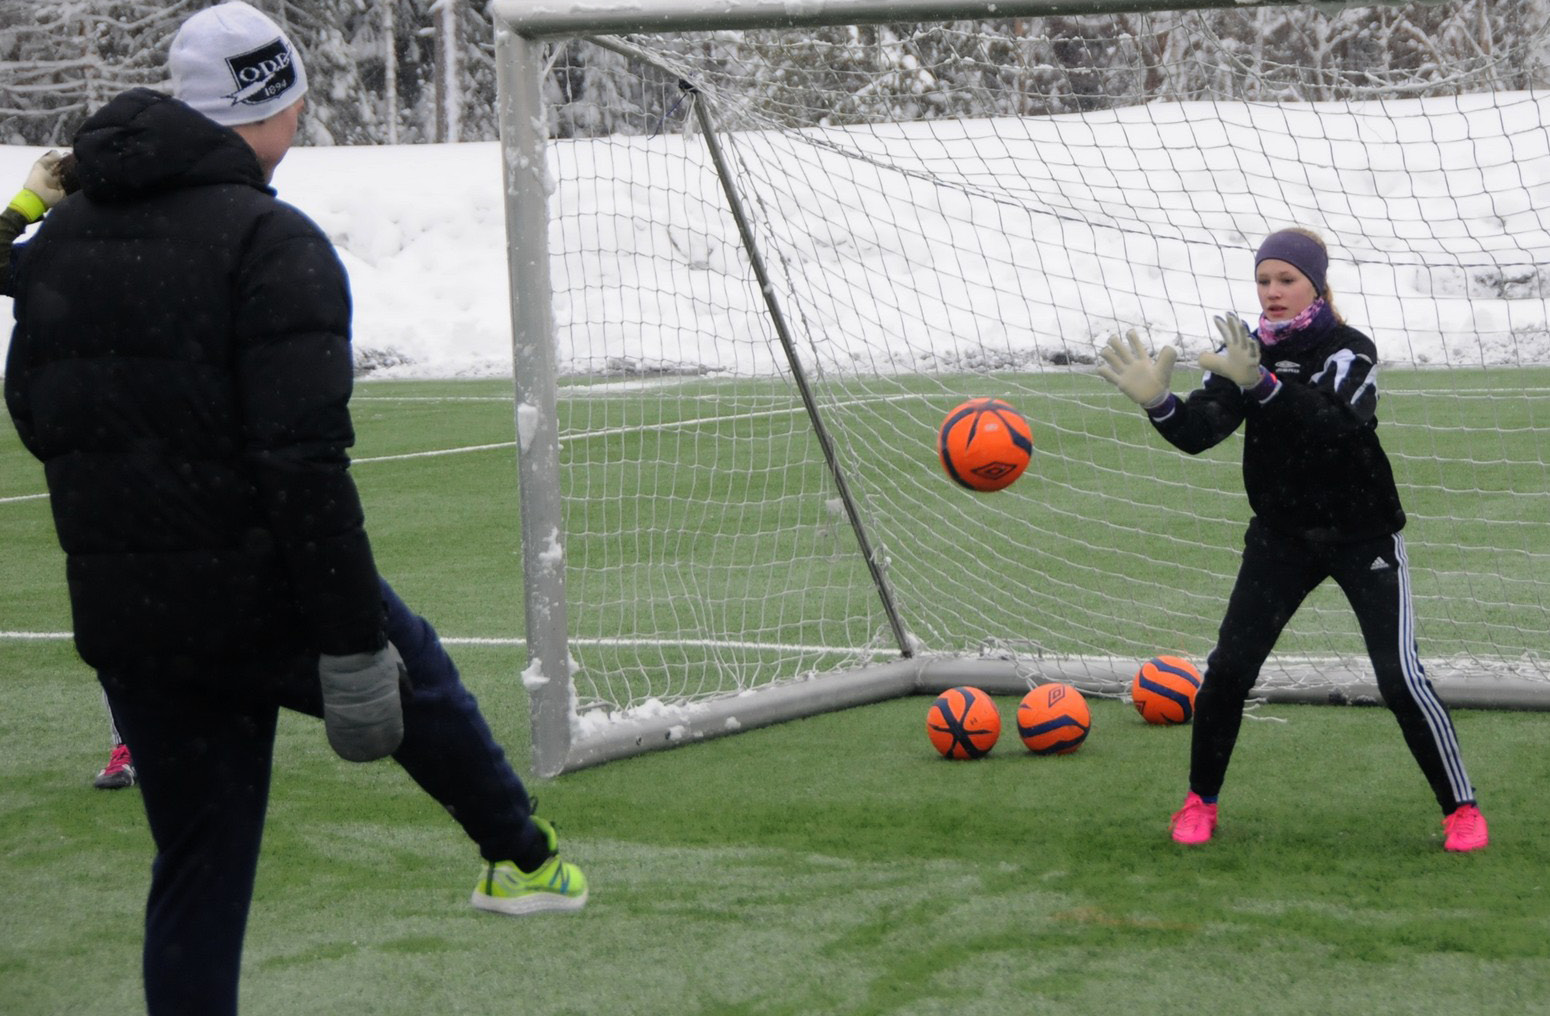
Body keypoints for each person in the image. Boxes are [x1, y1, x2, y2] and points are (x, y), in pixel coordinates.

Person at [3, 5, 586, 1014]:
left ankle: (517, 852)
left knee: (196, 871)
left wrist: (23, 208)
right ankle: (519, 854)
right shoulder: (272, 241)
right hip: (259, 592)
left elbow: (40, 412)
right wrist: (351, 642)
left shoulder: (64, 240)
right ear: (281, 104)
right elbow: (305, 467)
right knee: (419, 676)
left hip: (129, 612)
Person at [1096, 227, 1488, 853]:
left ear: (1315, 283)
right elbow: (1201, 432)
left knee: (1400, 677)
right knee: (1227, 672)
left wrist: (1263, 386)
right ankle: (1200, 802)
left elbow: (1336, 420)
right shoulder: (1244, 352)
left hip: (1364, 535)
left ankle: (1461, 809)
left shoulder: (1348, 347)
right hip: (1282, 537)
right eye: (1263, 280)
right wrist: (1160, 402)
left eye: (1286, 279)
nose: (1272, 292)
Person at [0, 152, 142, 791]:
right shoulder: (55, 256)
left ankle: (156, 736)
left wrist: (26, 204)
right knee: (122, 609)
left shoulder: (149, 249)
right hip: (95, 465)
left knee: (138, 606)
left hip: (148, 458)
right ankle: (135, 741)